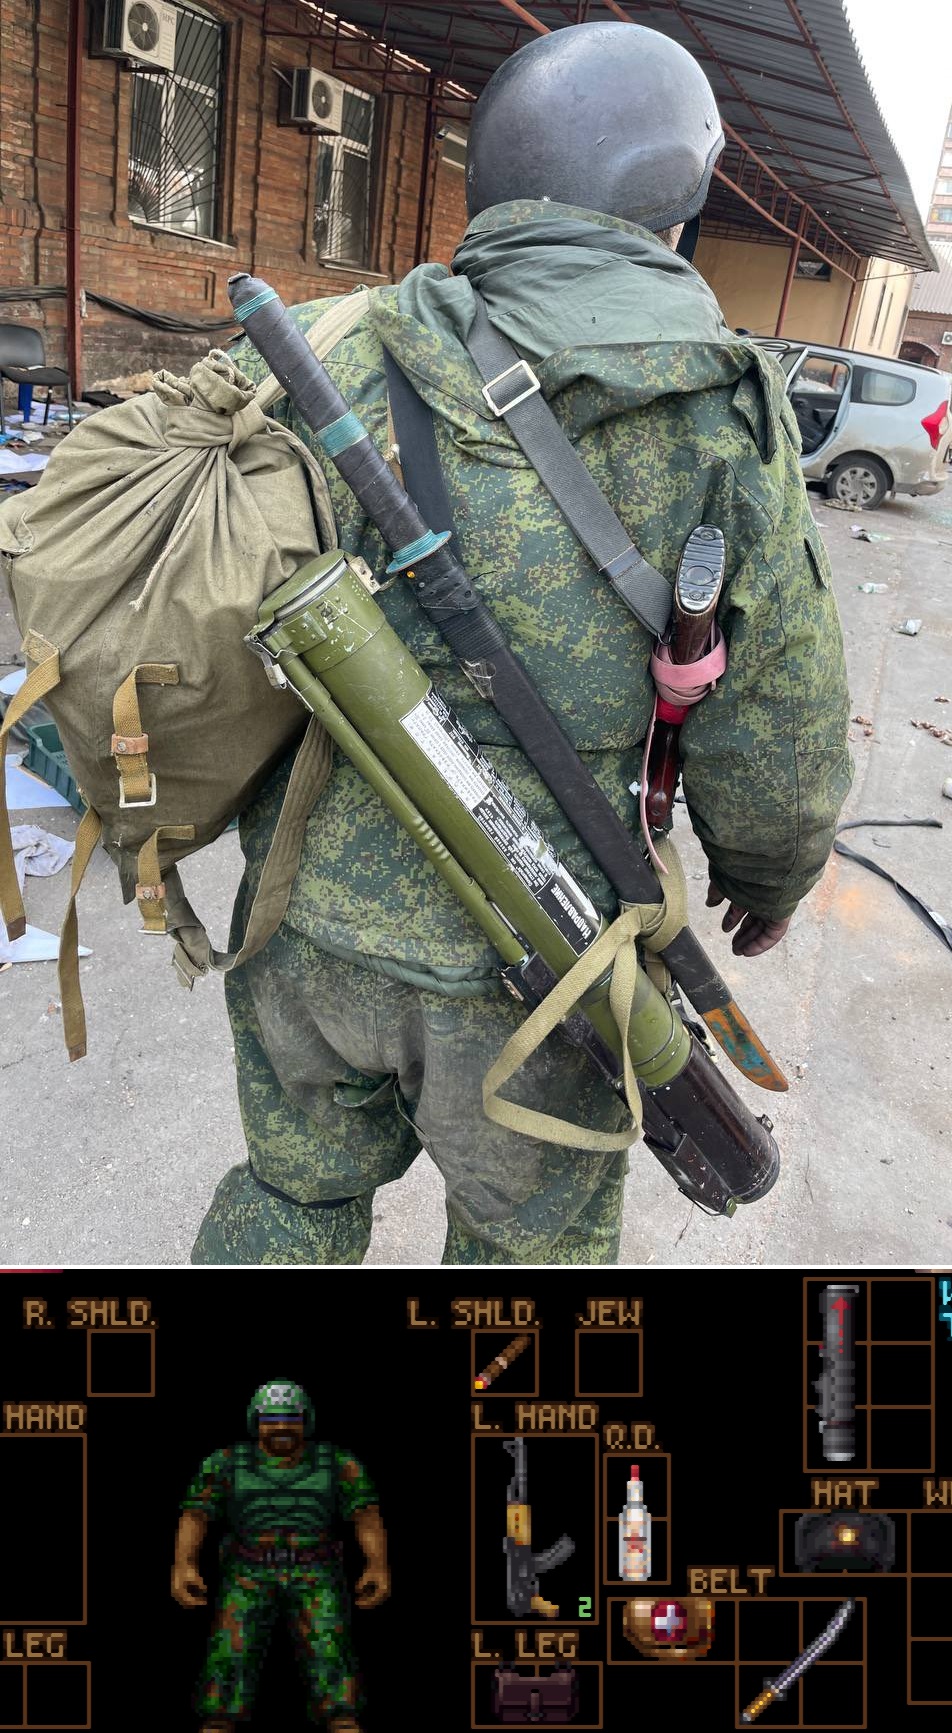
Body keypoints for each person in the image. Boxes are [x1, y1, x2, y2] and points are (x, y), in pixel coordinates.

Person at [191, 20, 851, 1267]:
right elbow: (780, 731)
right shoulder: (715, 402)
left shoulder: (327, 344)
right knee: (521, 1265)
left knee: (291, 1200)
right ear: (672, 188)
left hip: (306, 916)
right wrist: (767, 880)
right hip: (546, 958)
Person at [171, 1378, 388, 1732]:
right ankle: (219, 1717)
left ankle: (341, 1716)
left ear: (307, 1420)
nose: (281, 1427)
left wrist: (377, 1565)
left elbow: (366, 1515)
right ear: (255, 1421)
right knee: (230, 1653)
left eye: (292, 1418)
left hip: (315, 1569)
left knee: (330, 1650)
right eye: (271, 1419)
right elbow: (196, 1514)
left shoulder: (337, 1462)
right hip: (247, 1570)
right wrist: (184, 1565)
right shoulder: (225, 1463)